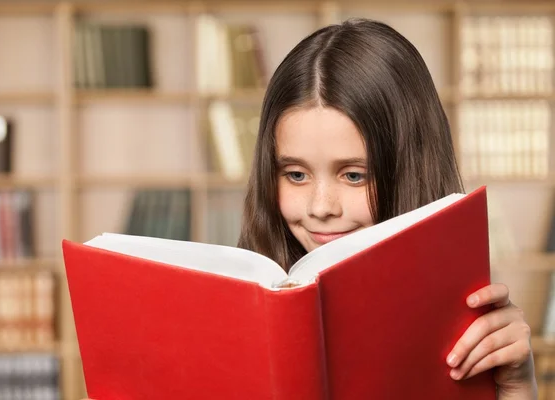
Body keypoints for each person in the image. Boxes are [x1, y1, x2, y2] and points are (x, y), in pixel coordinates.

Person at [84, 18, 537, 400]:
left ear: (409, 169)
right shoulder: (235, 306)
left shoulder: (475, 330)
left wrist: (517, 389)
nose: (320, 208)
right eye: (296, 175)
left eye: (354, 175)